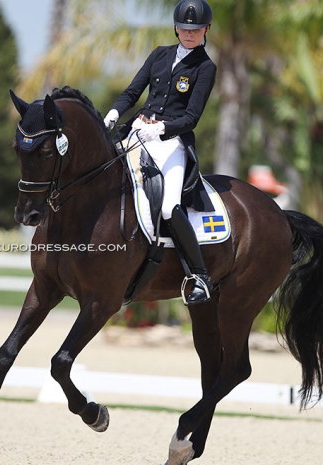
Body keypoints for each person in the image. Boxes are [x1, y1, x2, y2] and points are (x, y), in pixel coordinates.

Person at [104, 0, 216, 305]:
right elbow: (132, 91)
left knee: (169, 207)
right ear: (176, 27)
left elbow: (192, 117)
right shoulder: (159, 54)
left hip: (171, 143)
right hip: (138, 131)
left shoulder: (205, 67)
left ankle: (199, 276)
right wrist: (114, 112)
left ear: (206, 29)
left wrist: (163, 129)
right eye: (184, 27)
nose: (189, 33)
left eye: (195, 29)